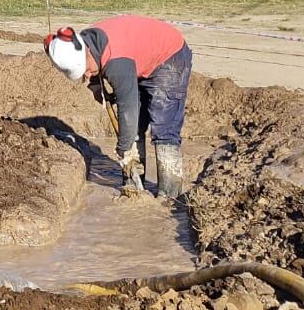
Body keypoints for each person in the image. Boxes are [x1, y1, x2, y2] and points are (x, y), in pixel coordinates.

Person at [43, 14, 192, 199]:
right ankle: (134, 187)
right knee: (134, 128)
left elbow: (127, 110)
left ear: (86, 53)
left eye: (87, 70)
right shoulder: (83, 46)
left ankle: (169, 196)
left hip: (169, 55)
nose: (88, 74)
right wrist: (96, 87)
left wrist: (123, 147)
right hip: (137, 56)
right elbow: (60, 50)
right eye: (84, 74)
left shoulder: (116, 61)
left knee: (164, 127)